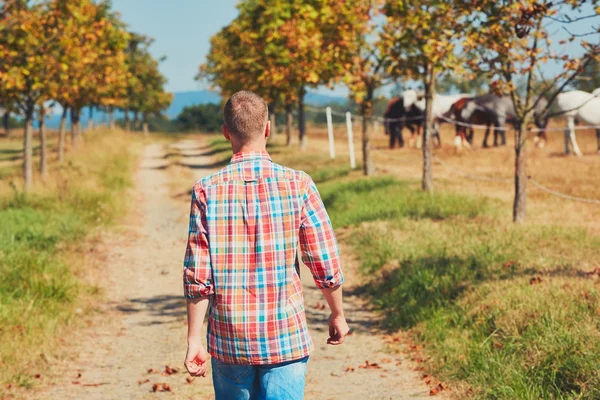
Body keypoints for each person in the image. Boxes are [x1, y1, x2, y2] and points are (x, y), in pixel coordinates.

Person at [183, 90, 349, 400]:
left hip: (230, 341)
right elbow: (323, 259)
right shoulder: (298, 184)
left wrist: (194, 339)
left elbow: (198, 276)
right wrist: (337, 312)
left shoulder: (206, 190)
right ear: (268, 128)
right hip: (284, 337)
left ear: (225, 132)